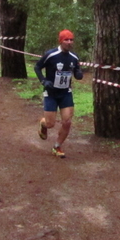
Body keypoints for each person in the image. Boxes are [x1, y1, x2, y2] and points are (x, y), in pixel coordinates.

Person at [34, 30, 84, 158]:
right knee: (50, 124)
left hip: (65, 93)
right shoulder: (51, 54)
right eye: (66, 40)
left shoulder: (74, 57)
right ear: (61, 41)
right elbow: (37, 67)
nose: (69, 42)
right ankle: (43, 123)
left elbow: (77, 70)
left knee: (67, 122)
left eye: (71, 40)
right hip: (51, 93)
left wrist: (78, 74)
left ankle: (57, 146)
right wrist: (43, 81)